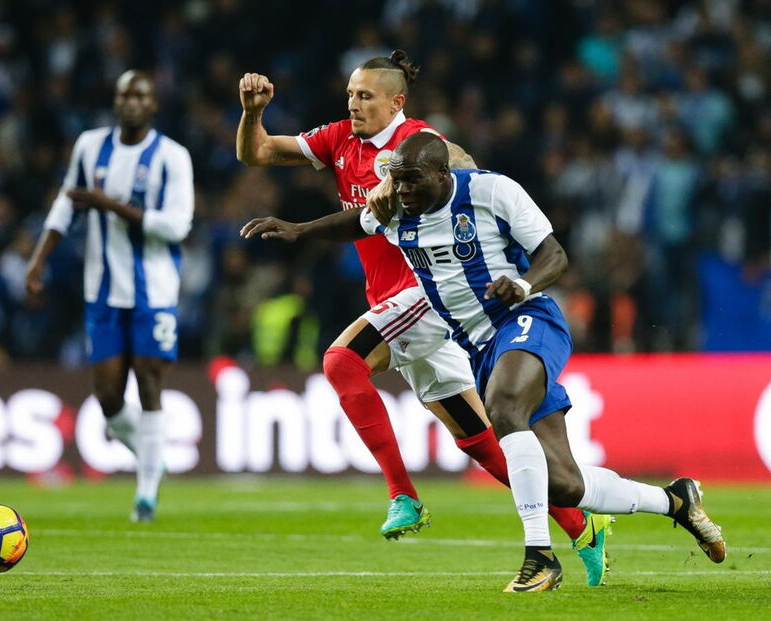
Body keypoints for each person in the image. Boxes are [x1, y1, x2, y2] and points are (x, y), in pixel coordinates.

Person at [241, 131, 726, 592]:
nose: (403, 189)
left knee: (504, 406)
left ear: (442, 175)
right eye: (399, 179)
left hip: (527, 317)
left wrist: (523, 285)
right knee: (565, 484)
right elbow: (357, 223)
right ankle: (675, 500)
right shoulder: (395, 206)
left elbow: (555, 256)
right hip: (478, 346)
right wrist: (299, 229)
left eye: (413, 180)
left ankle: (540, 558)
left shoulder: (493, 192)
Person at [237, 51, 612, 586]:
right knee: (481, 439)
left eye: (365, 96)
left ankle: (403, 496)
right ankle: (582, 527)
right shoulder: (338, 140)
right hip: (393, 301)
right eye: (350, 94)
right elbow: (257, 153)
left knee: (342, 360)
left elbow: (471, 189)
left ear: (397, 101)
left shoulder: (422, 147)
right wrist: (253, 112)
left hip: (426, 294)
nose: (354, 104)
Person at [26, 70, 194, 522]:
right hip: (101, 288)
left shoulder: (172, 157)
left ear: (153, 105)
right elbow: (68, 201)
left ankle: (145, 495)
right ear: (115, 101)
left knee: (150, 383)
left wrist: (112, 206)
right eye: (123, 95)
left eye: (140, 95)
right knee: (107, 396)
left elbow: (178, 226)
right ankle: (150, 455)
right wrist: (40, 258)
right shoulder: (89, 145)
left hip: (154, 289)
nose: (130, 103)